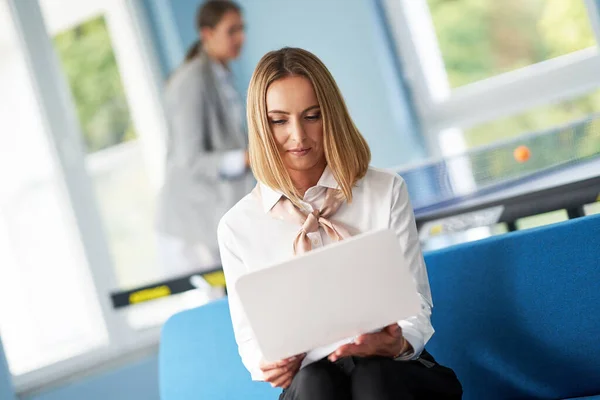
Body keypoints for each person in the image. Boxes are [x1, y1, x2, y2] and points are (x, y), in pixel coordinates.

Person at [218, 47, 463, 399]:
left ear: (331, 115)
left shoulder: (385, 191)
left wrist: (396, 343)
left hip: (392, 372)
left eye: (312, 116)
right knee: (317, 381)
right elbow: (252, 344)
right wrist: (271, 363)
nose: (298, 136)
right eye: (279, 120)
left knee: (372, 375)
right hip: (309, 382)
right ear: (261, 125)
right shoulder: (237, 227)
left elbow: (415, 307)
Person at [156, 0, 254, 279]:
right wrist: (246, 158)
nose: (241, 38)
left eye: (242, 29)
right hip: (190, 225)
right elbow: (191, 162)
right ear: (207, 34)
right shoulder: (191, 80)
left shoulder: (222, 75)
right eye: (232, 30)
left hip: (212, 216)